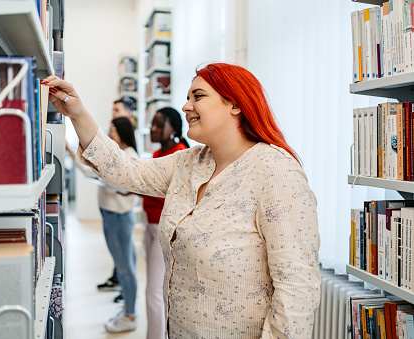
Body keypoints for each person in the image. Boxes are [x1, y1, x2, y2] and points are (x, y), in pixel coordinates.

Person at [43, 62, 321, 338]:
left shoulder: (276, 171)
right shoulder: (190, 163)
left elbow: (297, 288)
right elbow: (124, 171)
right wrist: (76, 112)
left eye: (198, 96)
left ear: (235, 104)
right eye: (188, 97)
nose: (186, 106)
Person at [66, 116, 139, 333]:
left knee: (125, 268)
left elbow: (107, 179)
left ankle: (130, 314)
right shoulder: (120, 154)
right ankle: (127, 308)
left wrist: (76, 154)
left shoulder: (129, 156)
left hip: (119, 218)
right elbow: (96, 173)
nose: (110, 132)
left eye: (114, 129)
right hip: (112, 217)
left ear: (124, 132)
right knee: (124, 265)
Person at [143, 107, 189, 339]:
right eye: (152, 123)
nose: (153, 128)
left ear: (173, 129)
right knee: (156, 290)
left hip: (165, 231)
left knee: (153, 293)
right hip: (150, 225)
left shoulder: (180, 155)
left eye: (159, 124)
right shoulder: (158, 153)